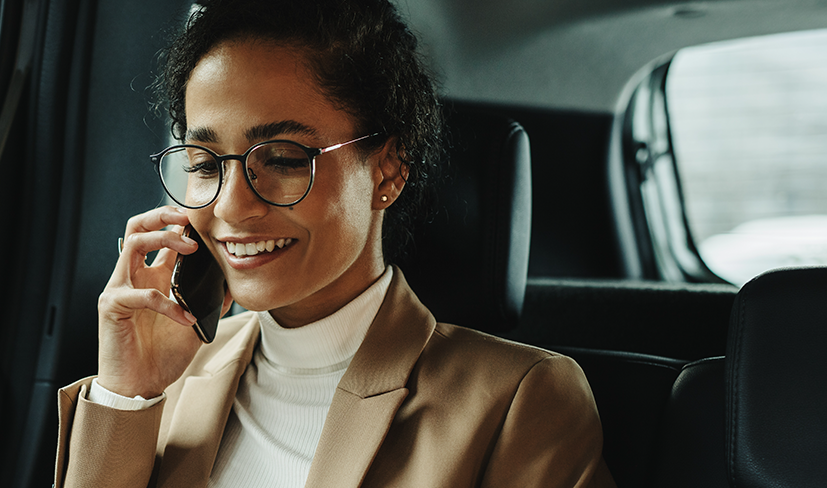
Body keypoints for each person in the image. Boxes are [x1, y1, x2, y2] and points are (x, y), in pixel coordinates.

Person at [55, 0, 615, 486]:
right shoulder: (166, 380)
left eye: (282, 159)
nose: (229, 206)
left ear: (388, 171)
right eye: (204, 165)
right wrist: (125, 396)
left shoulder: (518, 400)